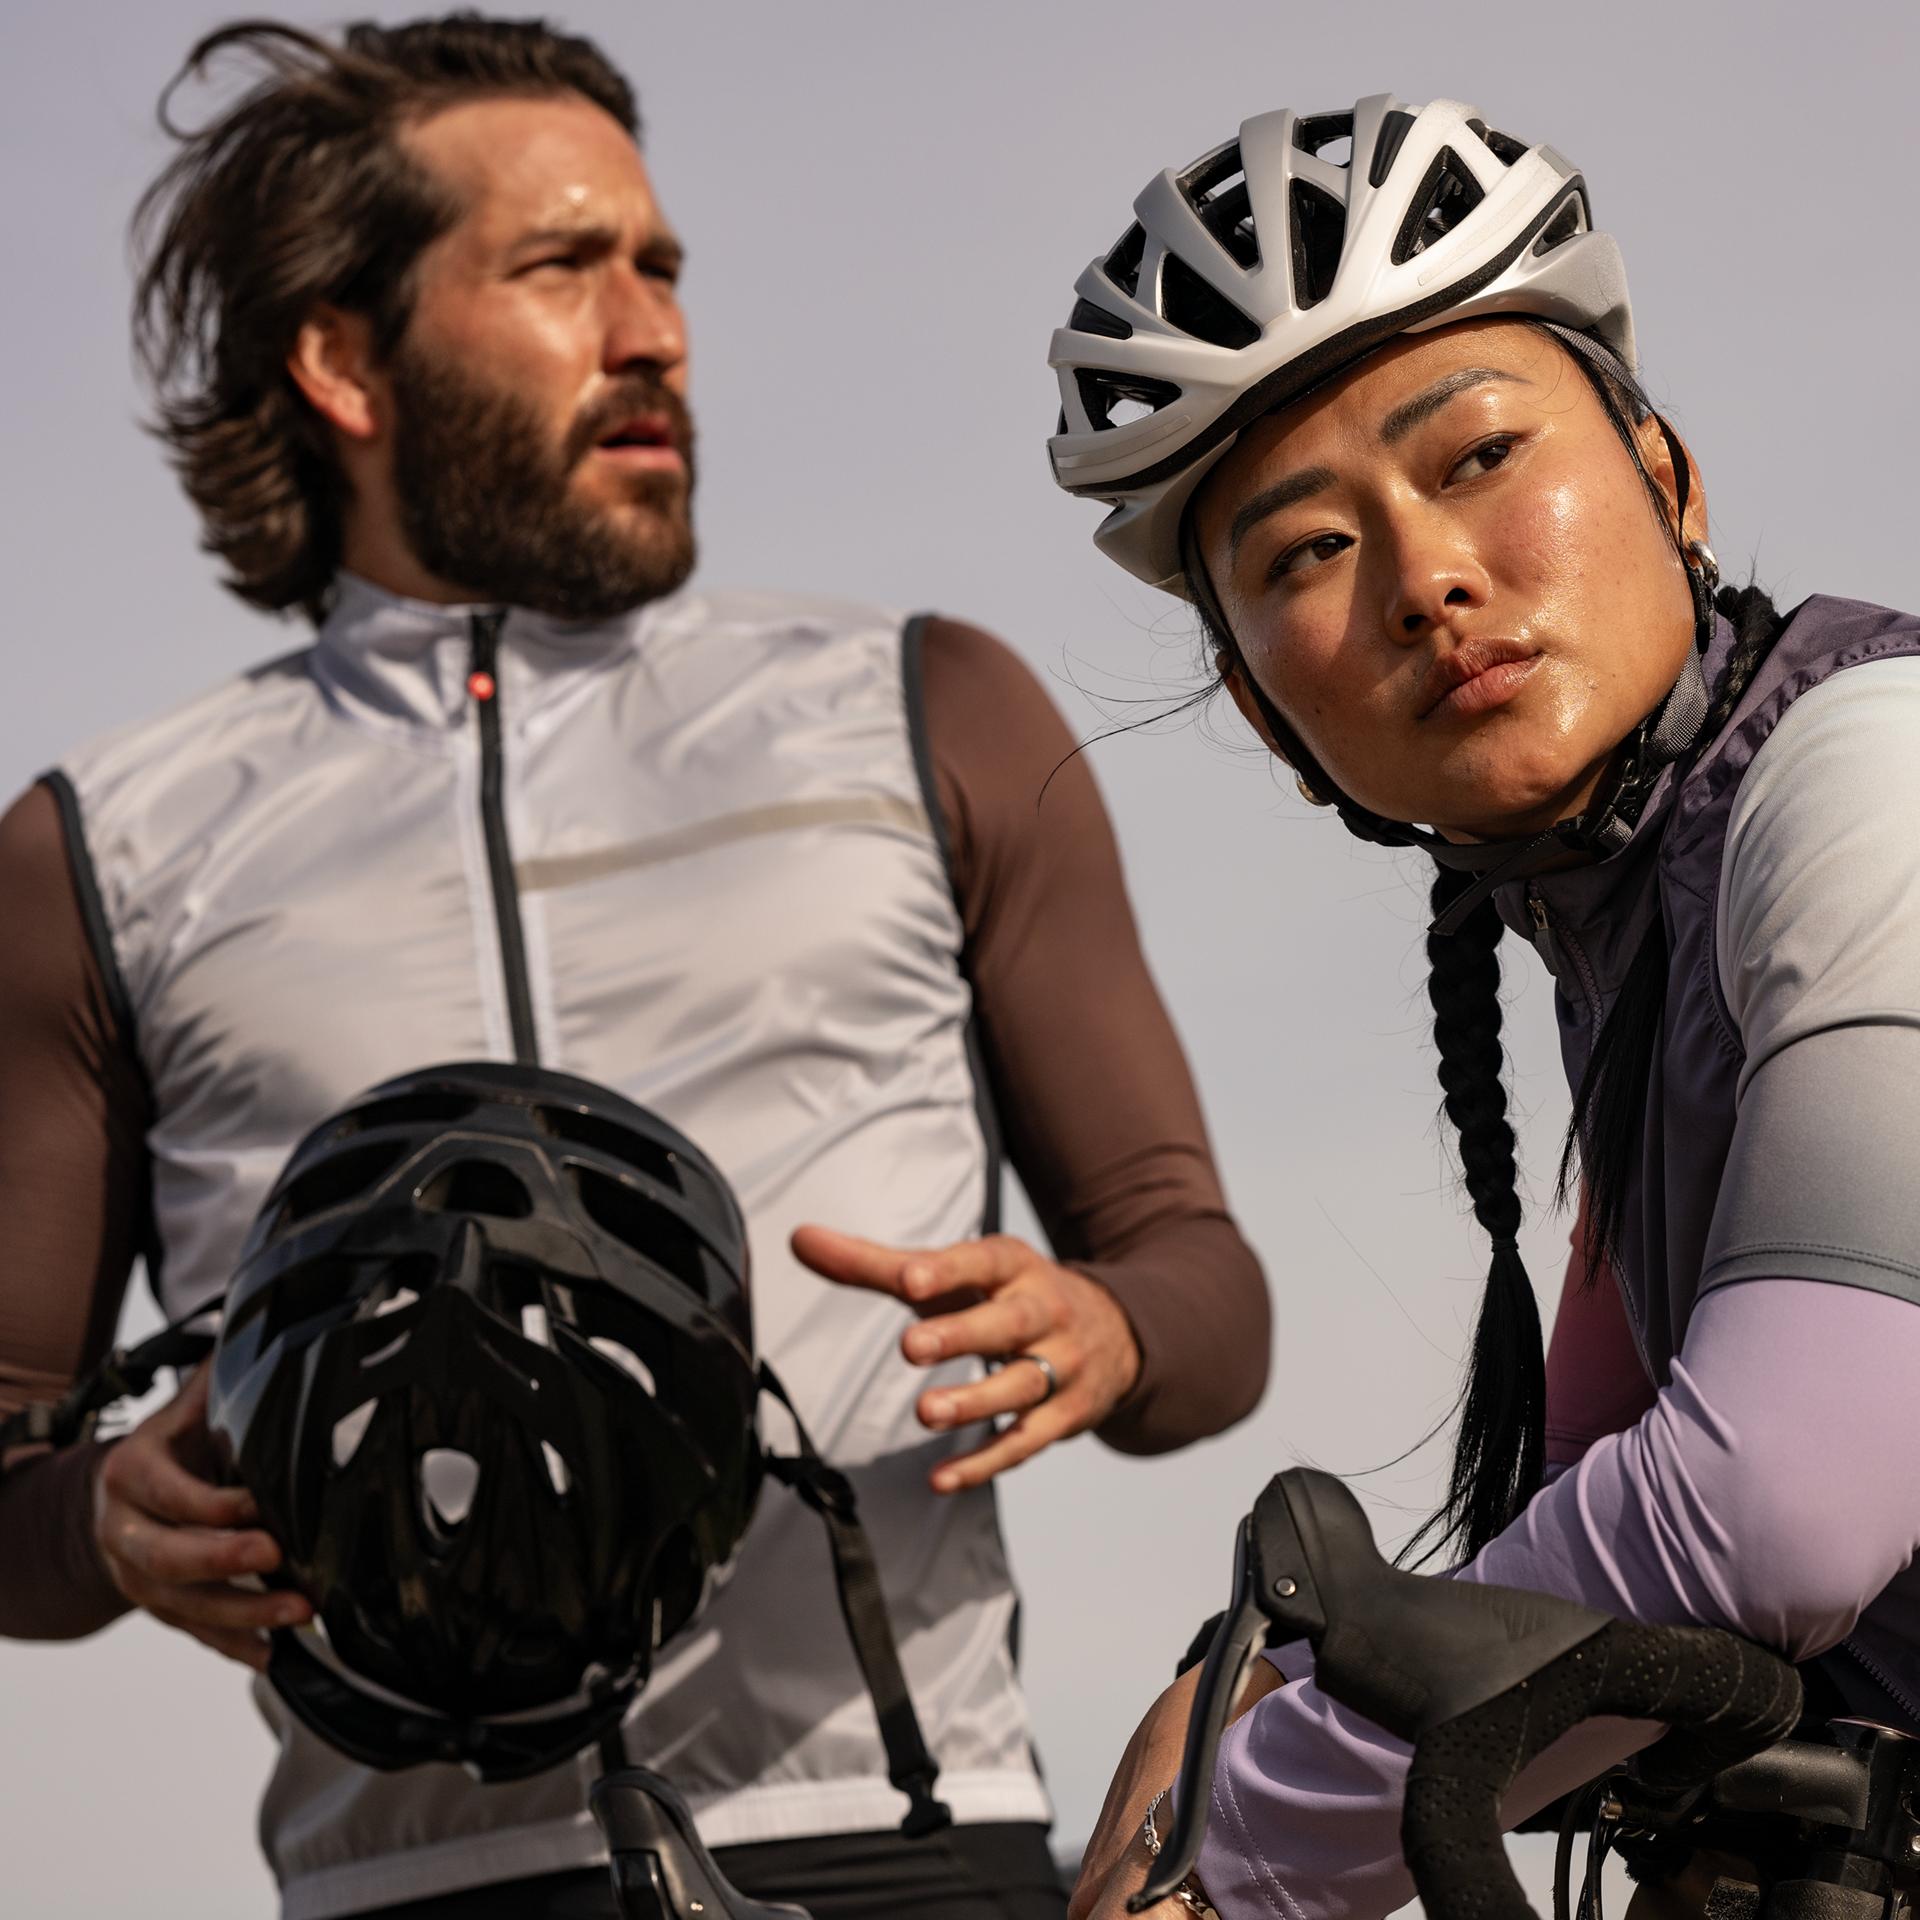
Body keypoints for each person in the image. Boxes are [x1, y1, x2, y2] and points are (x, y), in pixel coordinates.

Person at [0, 17, 1271, 1920]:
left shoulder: (930, 712)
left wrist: (1107, 1328)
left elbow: (1208, 1295)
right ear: (345, 358)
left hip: (901, 1847)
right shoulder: (97, 847)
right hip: (410, 1886)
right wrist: (103, 1521)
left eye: (661, 267)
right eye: (562, 268)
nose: (653, 330)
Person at [1043, 94, 1920, 1920]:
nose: (1429, 576)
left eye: (1478, 455)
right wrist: (1259, 1689)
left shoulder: (1876, 778)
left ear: (1669, 479)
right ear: (1272, 727)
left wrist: (1251, 1842)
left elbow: (1783, 1504)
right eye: (1304, 553)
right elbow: (1593, 1586)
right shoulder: (1641, 949)